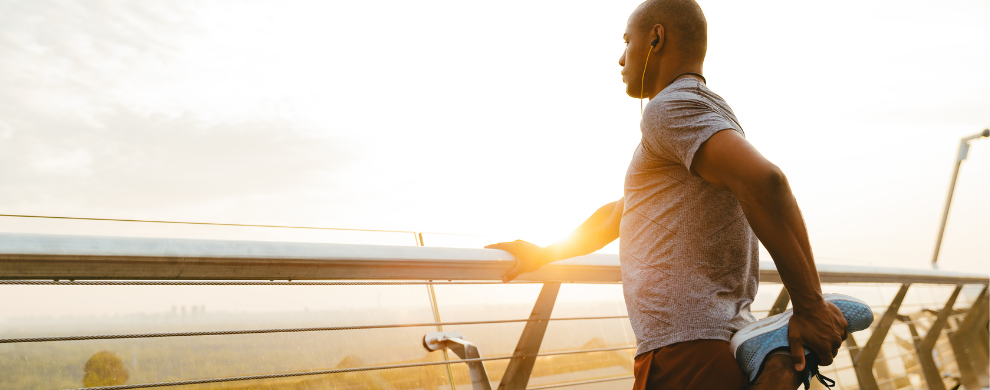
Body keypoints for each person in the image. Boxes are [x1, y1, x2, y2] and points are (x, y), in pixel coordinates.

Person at [485, 1, 872, 389]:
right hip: (708, 340)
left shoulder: (669, 109)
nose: (621, 59)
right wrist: (546, 253)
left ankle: (780, 354)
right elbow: (622, 212)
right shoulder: (701, 112)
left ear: (656, 37)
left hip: (685, 348)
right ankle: (776, 359)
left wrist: (808, 304)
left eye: (627, 42)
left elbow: (766, 181)